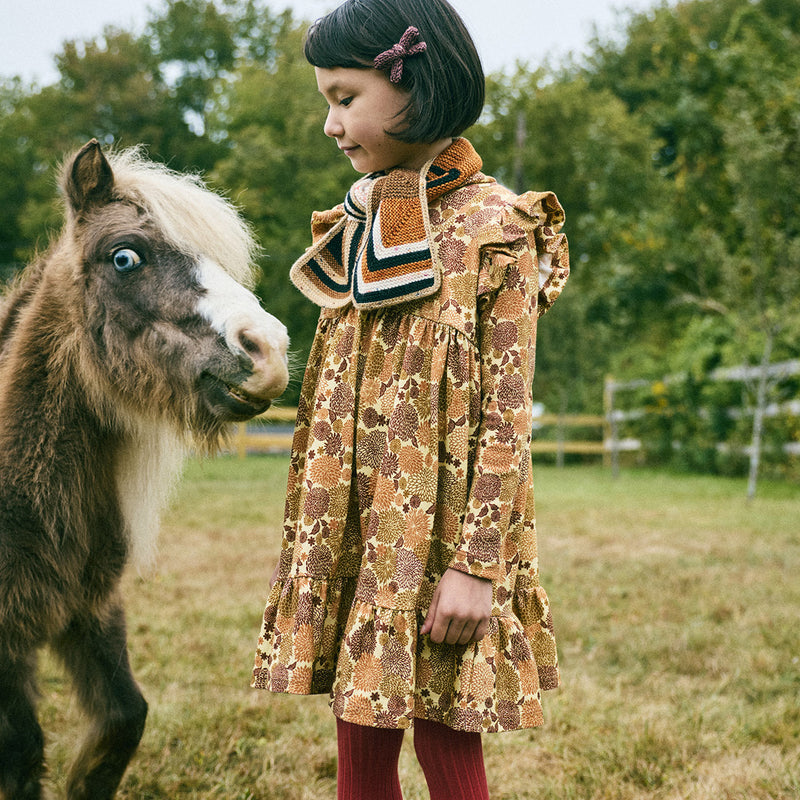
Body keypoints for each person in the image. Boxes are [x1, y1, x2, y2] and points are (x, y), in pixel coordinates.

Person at [252, 1, 569, 797]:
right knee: (358, 737)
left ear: (413, 81)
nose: (330, 122)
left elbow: (506, 415)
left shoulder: (498, 228)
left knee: (445, 741)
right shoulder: (370, 225)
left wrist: (477, 568)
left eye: (344, 96)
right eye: (325, 98)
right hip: (361, 526)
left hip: (442, 544)